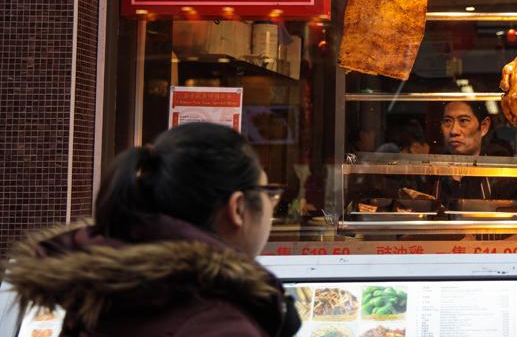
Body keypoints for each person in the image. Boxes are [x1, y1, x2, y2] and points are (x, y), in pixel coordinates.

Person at [5, 122, 301, 337]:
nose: (272, 204)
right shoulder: (217, 325)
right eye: (268, 192)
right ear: (238, 208)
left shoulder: (107, 291)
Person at [437, 101, 517, 200]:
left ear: (484, 126)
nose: (454, 131)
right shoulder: (431, 171)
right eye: (447, 121)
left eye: (463, 121)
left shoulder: (503, 177)